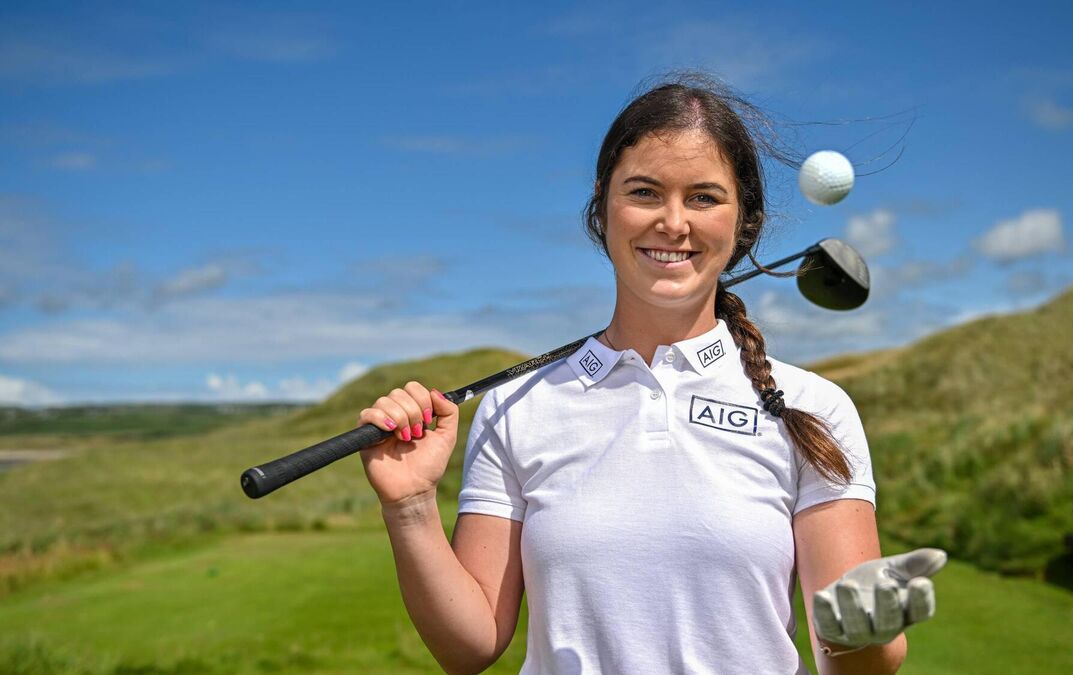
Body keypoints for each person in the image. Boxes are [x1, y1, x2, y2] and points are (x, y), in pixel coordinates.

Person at [357, 75, 944, 675]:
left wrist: (859, 632)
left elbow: (856, 665)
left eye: (704, 198)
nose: (673, 222)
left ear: (744, 221)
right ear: (601, 207)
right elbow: (469, 648)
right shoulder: (516, 407)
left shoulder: (814, 406)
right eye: (644, 192)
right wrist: (412, 506)